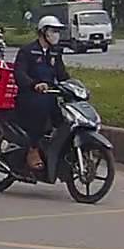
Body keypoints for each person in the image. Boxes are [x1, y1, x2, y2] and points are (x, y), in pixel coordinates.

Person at [13, 15, 71, 173]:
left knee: (64, 117)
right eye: (53, 31)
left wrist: (73, 86)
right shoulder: (27, 51)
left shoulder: (55, 53)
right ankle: (32, 149)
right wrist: (34, 84)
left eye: (58, 31)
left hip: (50, 95)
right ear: (43, 32)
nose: (56, 35)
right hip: (29, 96)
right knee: (41, 109)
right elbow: (19, 74)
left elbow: (62, 75)